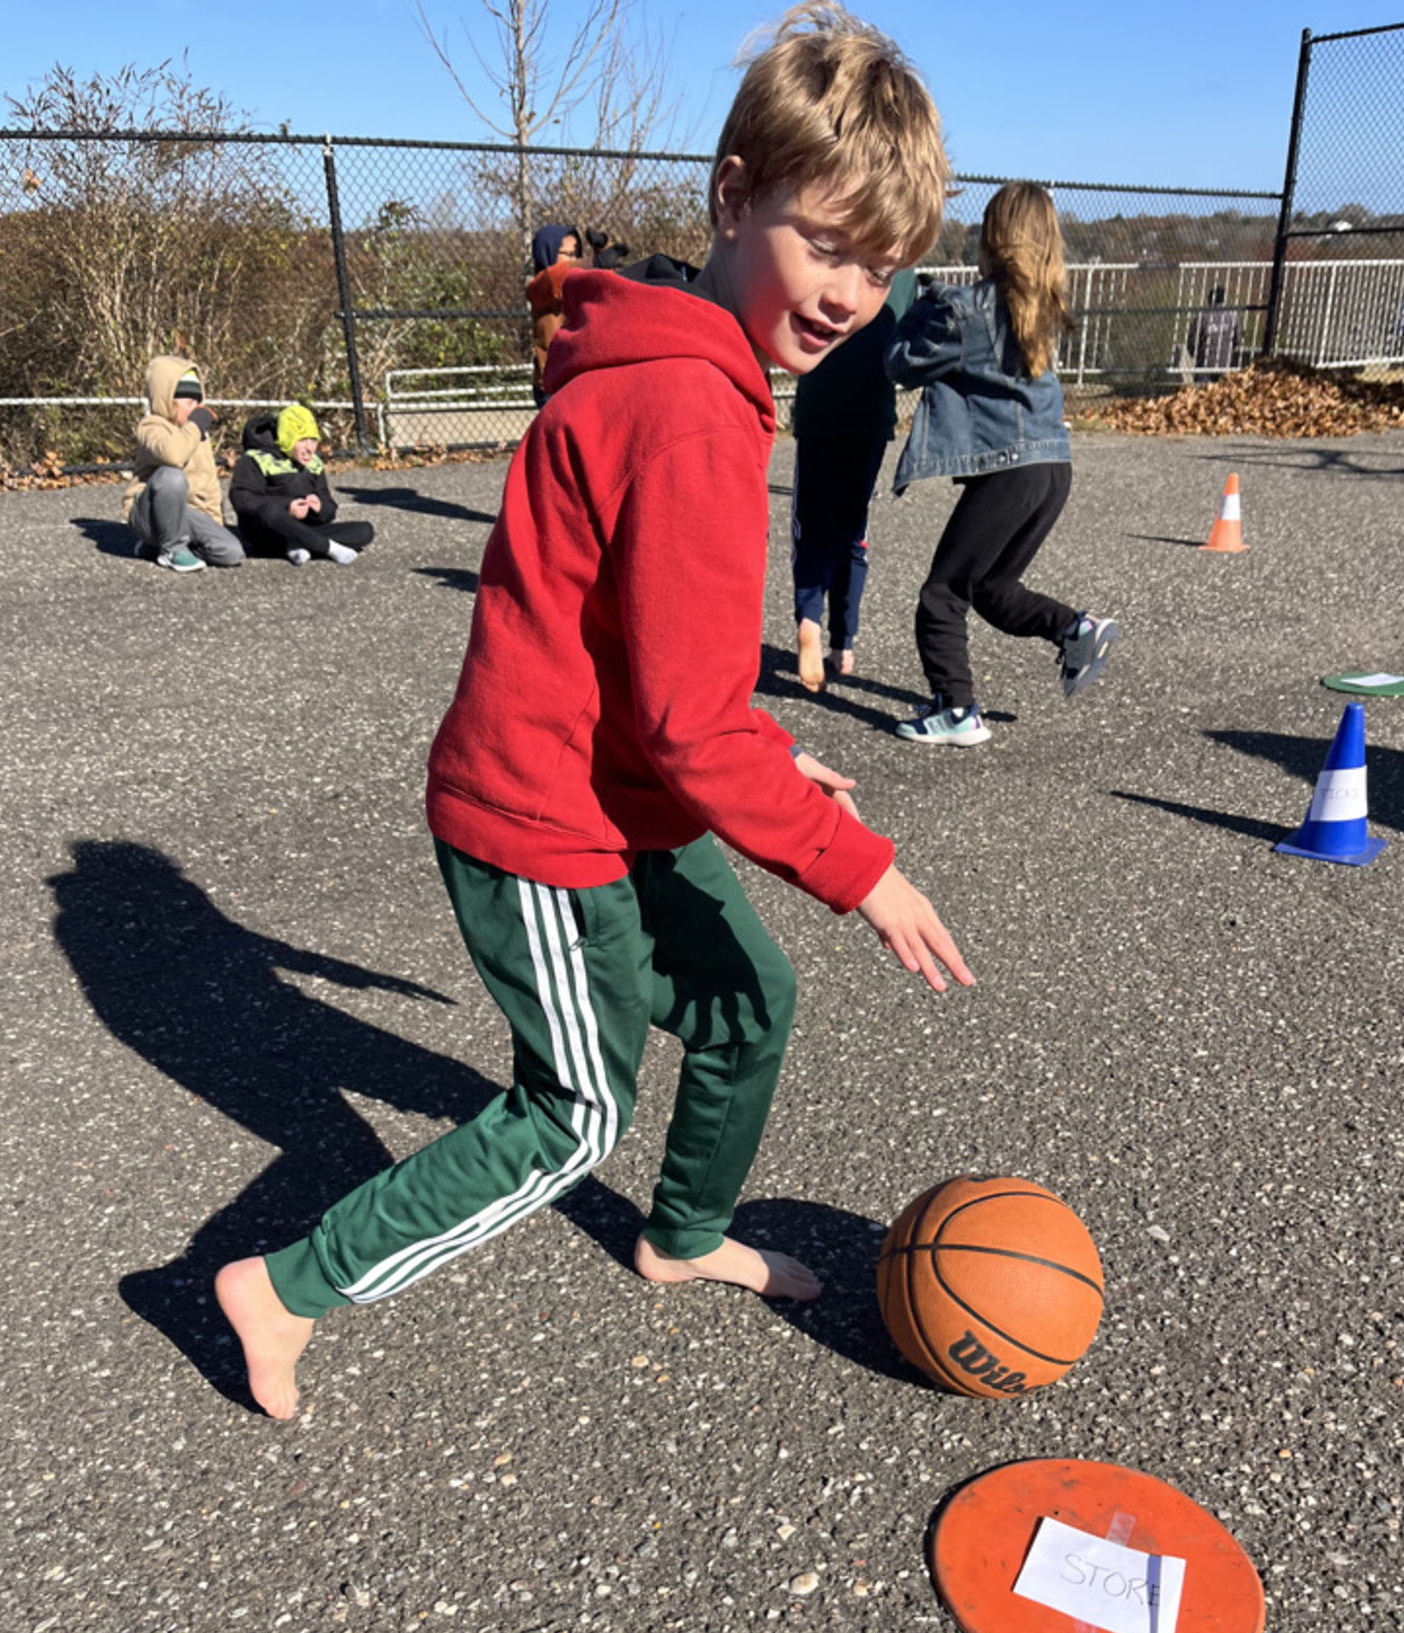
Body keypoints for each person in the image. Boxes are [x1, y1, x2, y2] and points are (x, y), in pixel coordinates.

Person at [215, 1, 971, 1422]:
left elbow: (661, 668)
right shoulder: (690, 401)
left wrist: (771, 754)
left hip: (616, 787)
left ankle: (680, 1237)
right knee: (575, 1113)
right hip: (542, 819)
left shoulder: (693, 368)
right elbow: (690, 719)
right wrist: (856, 868)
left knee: (748, 1002)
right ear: (736, 196)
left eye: (880, 265)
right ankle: (287, 1285)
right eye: (827, 241)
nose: (849, 292)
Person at [884, 182, 1117, 745]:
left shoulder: (968, 310)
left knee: (941, 594)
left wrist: (918, 301)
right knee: (990, 588)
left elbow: (900, 363)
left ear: (993, 240)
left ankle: (957, 711)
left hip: (1013, 473)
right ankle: (1074, 628)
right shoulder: (1042, 306)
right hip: (1053, 469)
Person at [791, 264, 916, 689]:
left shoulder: (828, 257)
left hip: (820, 409)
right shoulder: (903, 275)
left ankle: (810, 618)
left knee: (811, 529)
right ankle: (843, 644)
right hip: (870, 414)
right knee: (852, 529)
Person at [124, 356, 244, 573]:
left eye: (199, 401)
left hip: (186, 514)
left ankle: (157, 547)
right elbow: (173, 454)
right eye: (189, 402)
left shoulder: (196, 433)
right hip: (148, 513)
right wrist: (196, 424)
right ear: (167, 400)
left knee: (231, 552)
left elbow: (207, 482)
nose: (197, 408)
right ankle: (172, 549)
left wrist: (215, 522)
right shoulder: (151, 426)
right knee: (171, 476)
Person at [229, 403, 375, 566]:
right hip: (266, 531)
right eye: (303, 440)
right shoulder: (256, 459)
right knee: (270, 511)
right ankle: (327, 547)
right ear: (287, 438)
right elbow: (242, 499)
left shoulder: (314, 464)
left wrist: (319, 508)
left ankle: (298, 543)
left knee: (364, 530)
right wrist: (287, 507)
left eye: (313, 440)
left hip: (303, 528)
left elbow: (329, 508)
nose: (310, 448)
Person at [526, 223, 582, 405]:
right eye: (569, 254)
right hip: (553, 385)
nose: (576, 259)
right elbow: (555, 277)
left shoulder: (579, 284)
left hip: (579, 380)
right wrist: (595, 261)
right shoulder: (540, 286)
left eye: (577, 254)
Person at [1188, 283, 1241, 374]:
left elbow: (1191, 342)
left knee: (1203, 387)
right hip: (1225, 364)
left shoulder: (1203, 316)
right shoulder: (1233, 316)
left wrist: (1197, 355)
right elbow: (1237, 340)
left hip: (1204, 365)